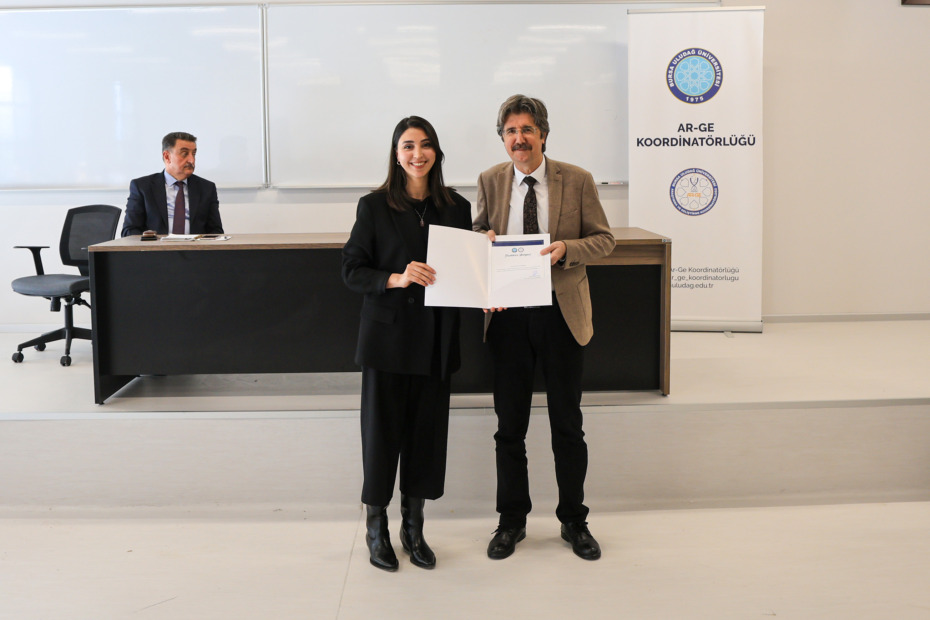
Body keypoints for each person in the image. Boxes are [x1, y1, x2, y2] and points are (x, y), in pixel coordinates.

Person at [473, 94, 616, 561]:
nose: (519, 139)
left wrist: (567, 250)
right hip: (508, 317)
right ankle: (511, 521)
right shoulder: (490, 180)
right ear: (503, 139)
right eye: (511, 131)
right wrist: (481, 240)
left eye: (527, 130)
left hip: (560, 314)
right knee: (509, 428)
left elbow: (604, 239)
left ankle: (574, 520)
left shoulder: (577, 179)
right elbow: (476, 234)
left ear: (544, 135)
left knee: (567, 425)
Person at [342, 116, 472, 572]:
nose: (418, 154)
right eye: (408, 146)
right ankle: (376, 527)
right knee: (381, 438)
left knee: (425, 439)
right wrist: (396, 278)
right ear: (396, 155)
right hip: (388, 341)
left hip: (436, 341)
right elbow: (352, 269)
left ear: (437, 152)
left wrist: (485, 264)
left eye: (426, 144)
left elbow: (465, 271)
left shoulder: (456, 206)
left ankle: (413, 527)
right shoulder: (374, 206)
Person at [121, 132, 224, 237]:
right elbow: (129, 231)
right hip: (156, 246)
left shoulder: (206, 188)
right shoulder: (142, 187)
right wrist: (151, 241)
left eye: (193, 154)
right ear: (167, 156)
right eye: (184, 153)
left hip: (195, 246)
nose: (192, 160)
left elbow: (216, 231)